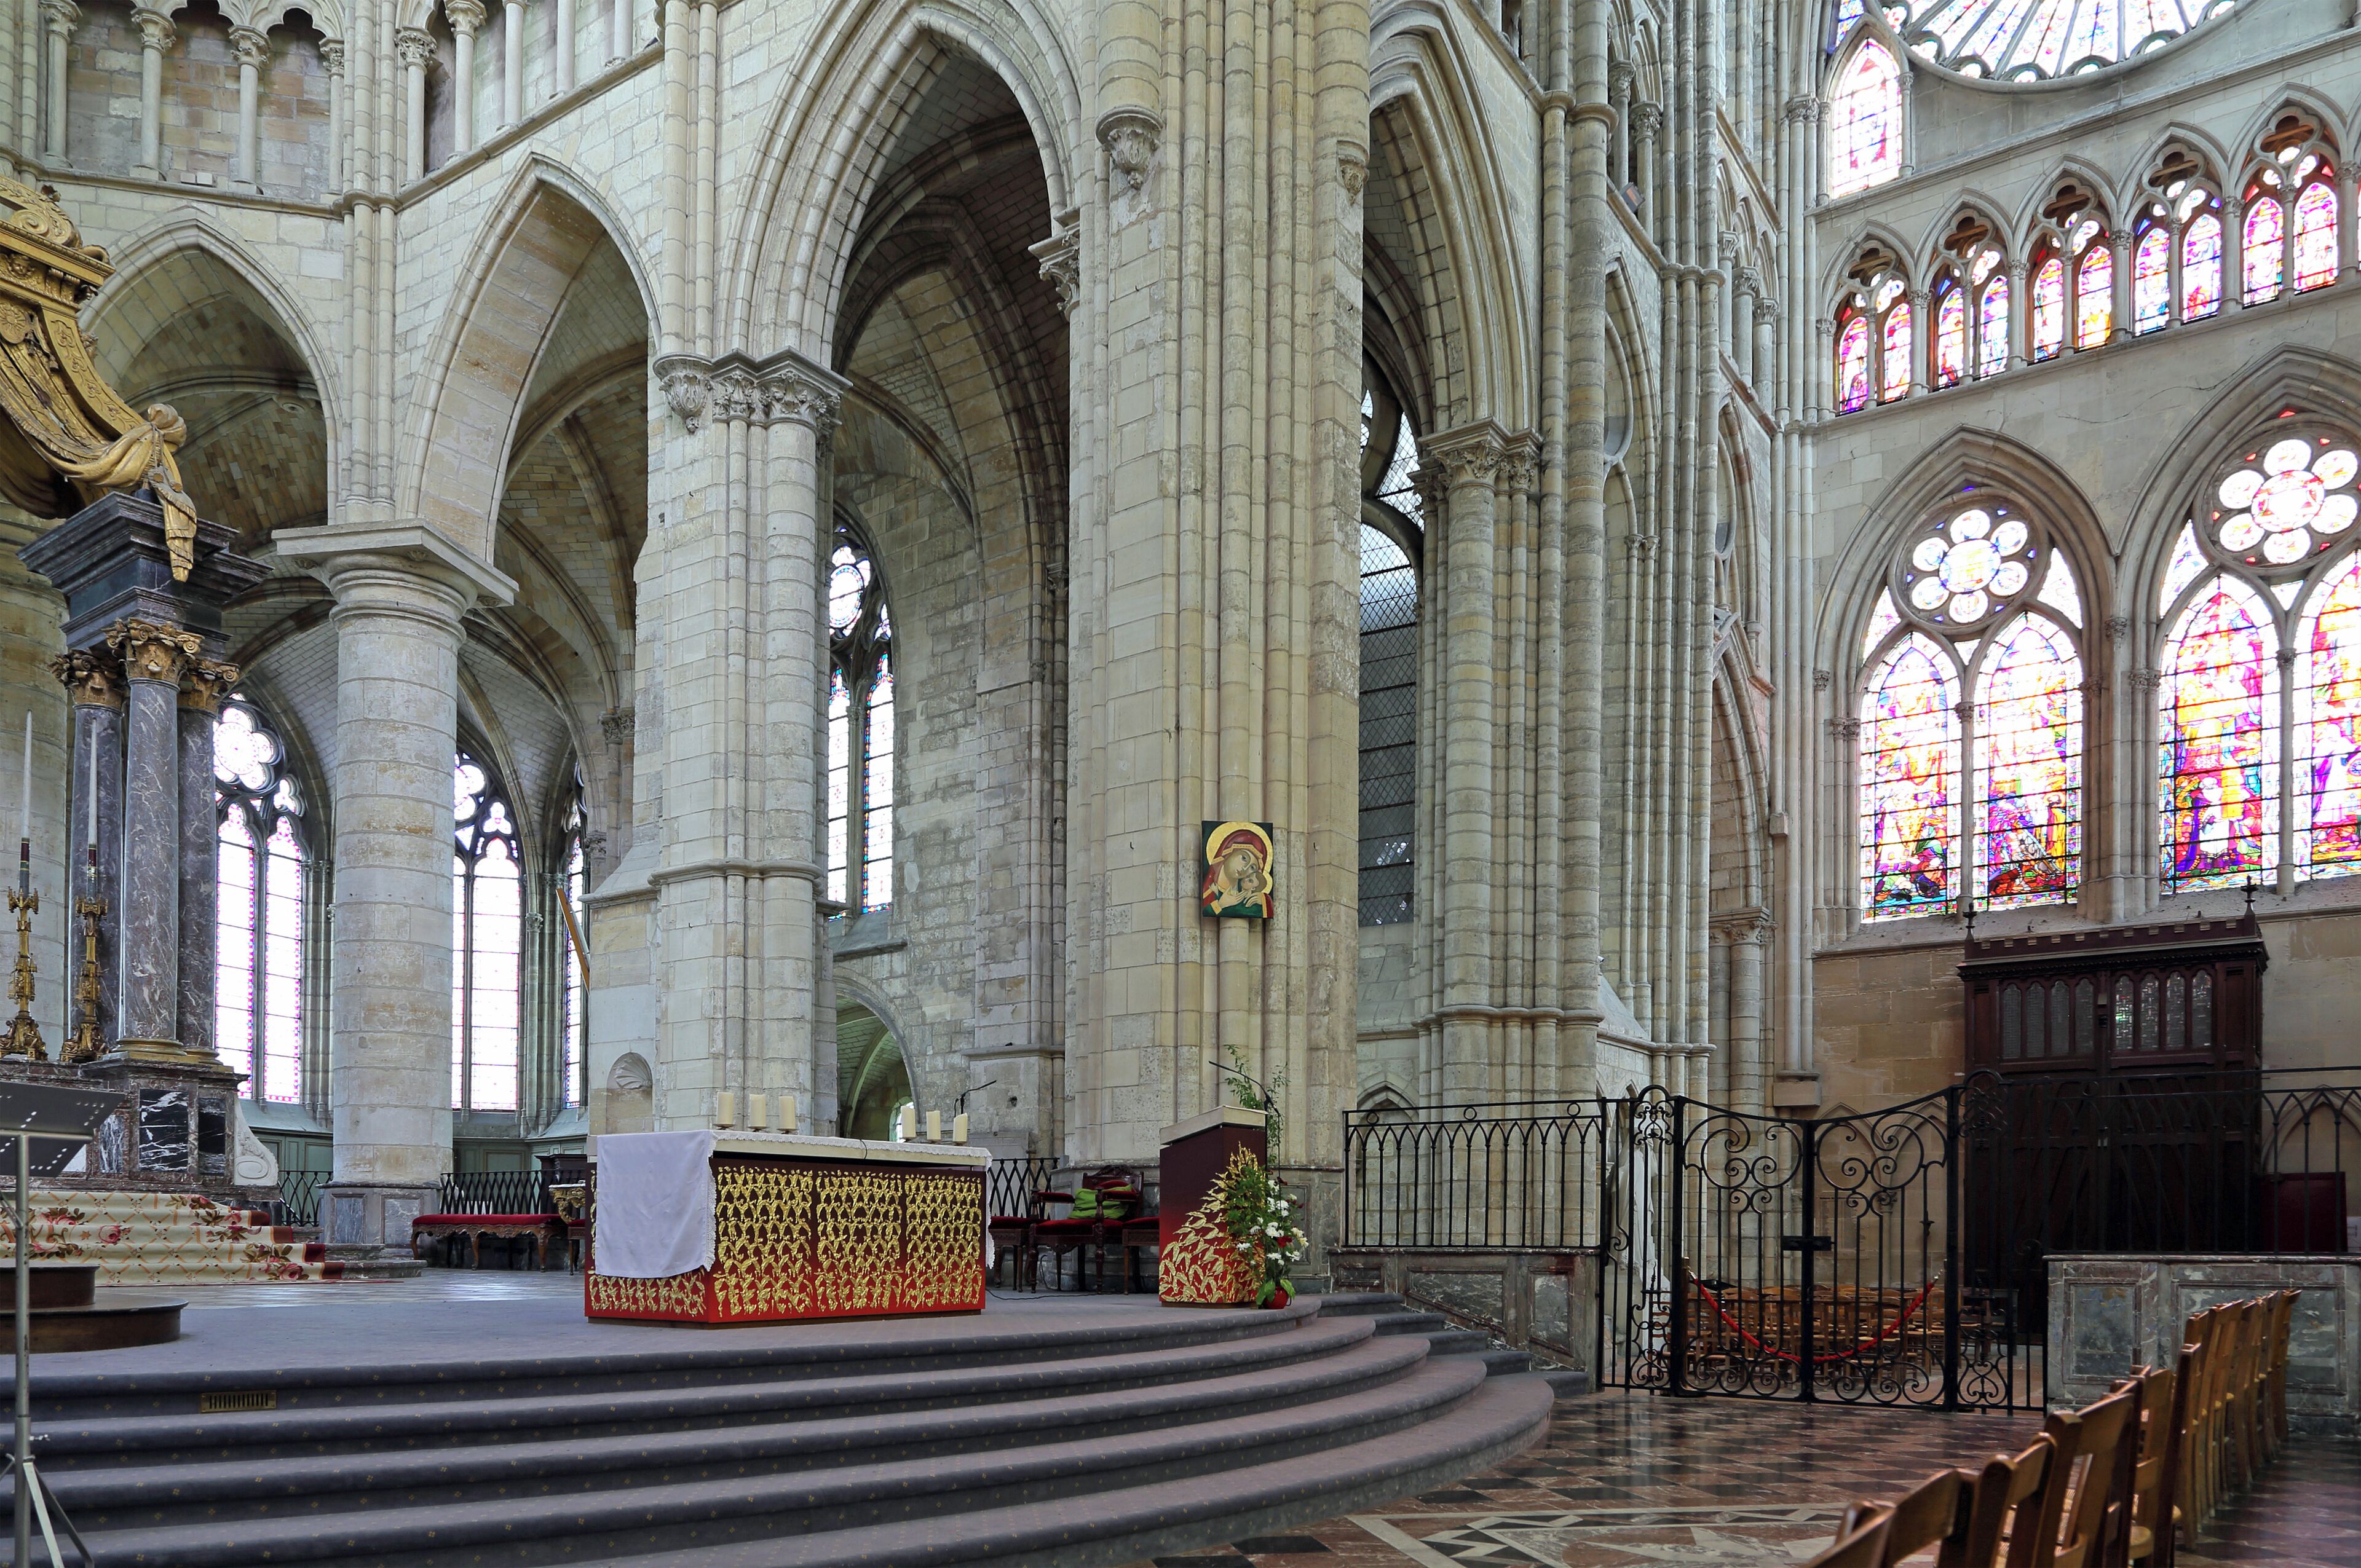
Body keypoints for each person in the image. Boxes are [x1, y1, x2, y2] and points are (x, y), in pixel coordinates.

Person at [1201, 823, 1274, 918]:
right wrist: (1220, 905)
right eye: (1244, 858)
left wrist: (1265, 901)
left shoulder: (1248, 898)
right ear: (1228, 852)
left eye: (1252, 868)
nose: (1245, 868)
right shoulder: (1209, 892)